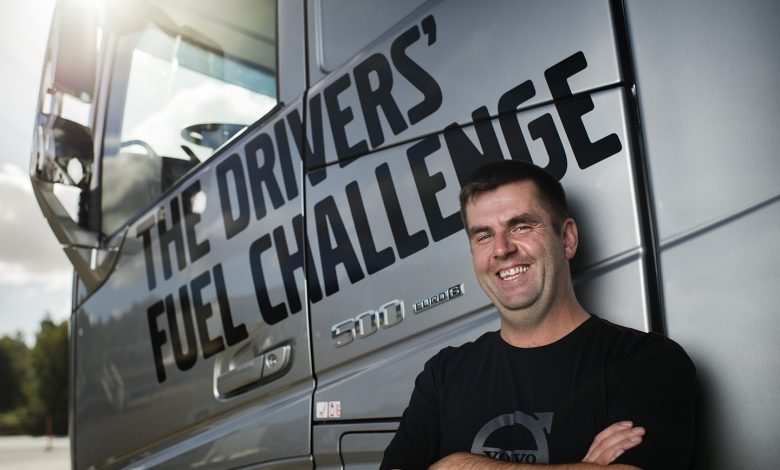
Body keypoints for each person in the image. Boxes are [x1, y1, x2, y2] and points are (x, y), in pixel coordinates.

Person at [380, 160, 696, 469]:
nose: (502, 249)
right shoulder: (444, 374)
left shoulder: (647, 362)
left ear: (567, 239)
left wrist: (457, 464)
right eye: (484, 236)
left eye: (521, 227)